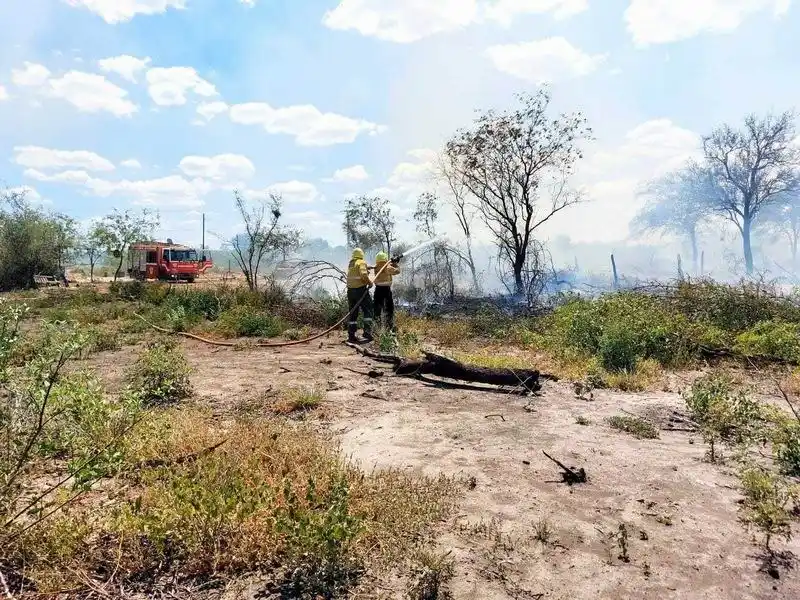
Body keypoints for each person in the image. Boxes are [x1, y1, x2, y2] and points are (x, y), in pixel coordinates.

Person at [346, 248, 374, 342]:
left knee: (353, 313)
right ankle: (367, 332)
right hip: (360, 290)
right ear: (361, 255)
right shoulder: (361, 262)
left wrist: (367, 267)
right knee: (368, 309)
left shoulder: (351, 264)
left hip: (350, 291)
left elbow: (356, 272)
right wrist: (370, 283)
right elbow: (363, 275)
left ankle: (351, 335)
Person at [373, 251, 400, 332]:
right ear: (385, 259)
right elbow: (397, 271)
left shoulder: (376, 267)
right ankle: (389, 327)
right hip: (386, 290)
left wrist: (391, 263)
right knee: (389, 309)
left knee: (377, 309)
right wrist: (395, 264)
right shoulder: (387, 267)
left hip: (377, 290)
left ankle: (376, 329)